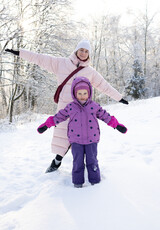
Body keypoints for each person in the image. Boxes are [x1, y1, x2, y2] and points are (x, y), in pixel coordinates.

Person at [5, 39, 128, 173]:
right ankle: (57, 161)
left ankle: (88, 165)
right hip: (65, 107)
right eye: (81, 50)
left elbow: (104, 86)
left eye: (86, 51)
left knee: (83, 136)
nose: (83, 53)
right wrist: (19, 52)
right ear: (76, 50)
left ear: (89, 54)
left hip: (83, 109)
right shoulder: (61, 63)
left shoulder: (91, 72)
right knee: (62, 135)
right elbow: (39, 58)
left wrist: (119, 98)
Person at [37, 76, 127, 187]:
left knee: (92, 161)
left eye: (85, 93)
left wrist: (117, 125)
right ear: (74, 94)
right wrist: (47, 125)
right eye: (79, 93)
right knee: (77, 162)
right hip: (76, 141)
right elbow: (59, 117)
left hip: (92, 140)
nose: (82, 96)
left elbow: (106, 116)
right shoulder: (71, 107)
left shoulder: (94, 106)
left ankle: (95, 182)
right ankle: (77, 183)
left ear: (89, 93)